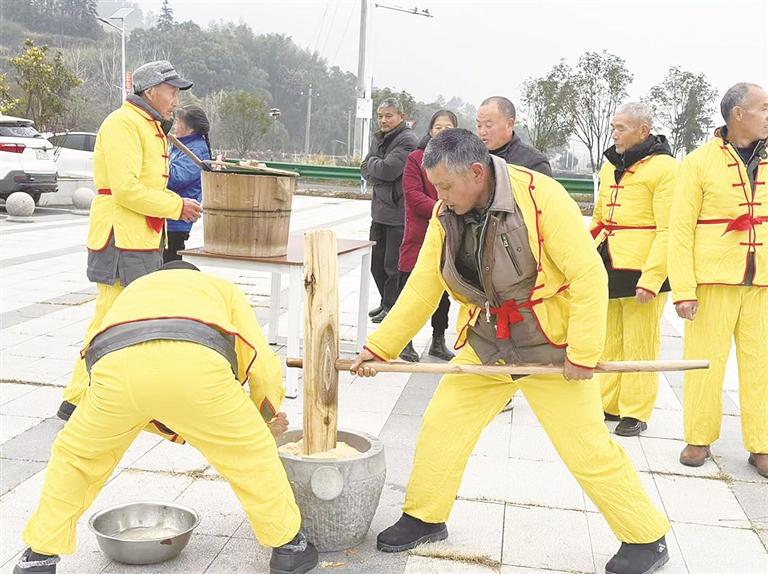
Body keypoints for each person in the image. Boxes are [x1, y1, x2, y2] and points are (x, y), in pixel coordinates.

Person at [351, 129, 671, 574]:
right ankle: (425, 516)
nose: (440, 197)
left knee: (585, 446)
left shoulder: (541, 196)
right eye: (436, 187)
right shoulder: (447, 214)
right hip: (487, 342)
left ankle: (646, 537)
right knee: (443, 424)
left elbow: (588, 276)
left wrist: (582, 353)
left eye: (445, 186)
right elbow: (425, 286)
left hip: (549, 344)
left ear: (476, 172)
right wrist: (380, 348)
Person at [13, 262, 319, 574]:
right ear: (195, 277)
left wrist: (84, 406)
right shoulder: (221, 288)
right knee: (251, 455)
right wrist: (264, 417)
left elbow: (90, 350)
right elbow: (262, 363)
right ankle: (289, 547)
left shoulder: (132, 291)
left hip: (115, 371)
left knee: (77, 459)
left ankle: (39, 556)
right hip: (198, 368)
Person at [56, 60, 203, 422]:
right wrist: (176, 206)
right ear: (150, 91)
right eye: (171, 91)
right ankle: (77, 397)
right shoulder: (123, 123)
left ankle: (107, 393)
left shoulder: (147, 125)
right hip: (120, 237)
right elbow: (126, 189)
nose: (176, 99)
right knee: (109, 320)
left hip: (140, 235)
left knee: (132, 318)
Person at [668, 82, 768, 477]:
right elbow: (680, 229)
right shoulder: (697, 162)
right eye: (763, 108)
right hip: (712, 281)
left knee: (762, 366)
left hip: (763, 283)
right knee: (704, 363)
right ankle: (698, 437)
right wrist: (683, 289)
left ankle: (762, 443)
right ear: (738, 114)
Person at [592, 102, 678, 437]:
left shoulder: (666, 169)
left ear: (643, 131)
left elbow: (669, 229)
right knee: (609, 337)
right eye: (614, 127)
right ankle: (609, 402)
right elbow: (599, 218)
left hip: (644, 267)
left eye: (621, 128)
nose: (614, 133)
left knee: (641, 342)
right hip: (609, 261)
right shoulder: (609, 166)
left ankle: (636, 411)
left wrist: (652, 279)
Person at [397, 109, 458, 363]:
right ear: (430, 130)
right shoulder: (416, 159)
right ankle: (404, 340)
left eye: (448, 127)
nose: (442, 132)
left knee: (443, 292)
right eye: (438, 127)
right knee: (410, 288)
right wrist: (443, 208)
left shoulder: (460, 161)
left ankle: (438, 340)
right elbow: (412, 195)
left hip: (450, 235)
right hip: (419, 234)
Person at [361, 98, 419, 325]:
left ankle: (392, 307)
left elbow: (388, 171)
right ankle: (386, 302)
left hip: (398, 213)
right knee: (376, 264)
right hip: (379, 212)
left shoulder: (407, 140)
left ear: (401, 117)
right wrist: (375, 167)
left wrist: (374, 166)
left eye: (388, 116)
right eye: (380, 116)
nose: (383, 120)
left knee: (393, 266)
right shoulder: (380, 138)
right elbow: (364, 167)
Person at [164, 105, 212, 262]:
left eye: (178, 122)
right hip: (169, 215)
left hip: (177, 220)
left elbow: (175, 178)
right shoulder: (180, 145)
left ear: (190, 128)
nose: (175, 125)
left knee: (169, 264)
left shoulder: (196, 150)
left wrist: (155, 162)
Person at [476, 96, 552, 176]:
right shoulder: (472, 157)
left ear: (509, 124)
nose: (482, 132)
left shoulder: (534, 163)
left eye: (488, 125)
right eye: (479, 125)